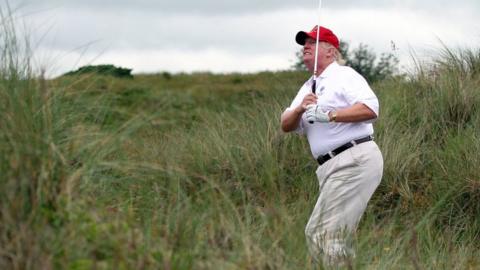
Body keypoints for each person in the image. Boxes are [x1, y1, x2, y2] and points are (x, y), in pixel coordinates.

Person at [280, 25, 383, 266]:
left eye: (312, 43)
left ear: (330, 50)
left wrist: (330, 115)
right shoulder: (308, 86)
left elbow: (371, 109)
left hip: (354, 158)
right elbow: (285, 124)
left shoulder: (344, 75)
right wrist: (299, 109)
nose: (305, 46)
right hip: (331, 167)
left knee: (324, 235)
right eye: (304, 43)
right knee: (323, 234)